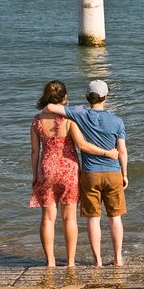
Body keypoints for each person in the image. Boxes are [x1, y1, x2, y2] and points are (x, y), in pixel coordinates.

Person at [30, 80, 119, 267]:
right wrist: (107, 153)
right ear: (64, 98)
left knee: (47, 217)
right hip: (68, 169)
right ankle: (70, 262)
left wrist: (35, 176)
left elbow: (34, 152)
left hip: (47, 168)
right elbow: (81, 145)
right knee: (69, 217)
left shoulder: (36, 121)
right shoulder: (69, 120)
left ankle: (51, 262)